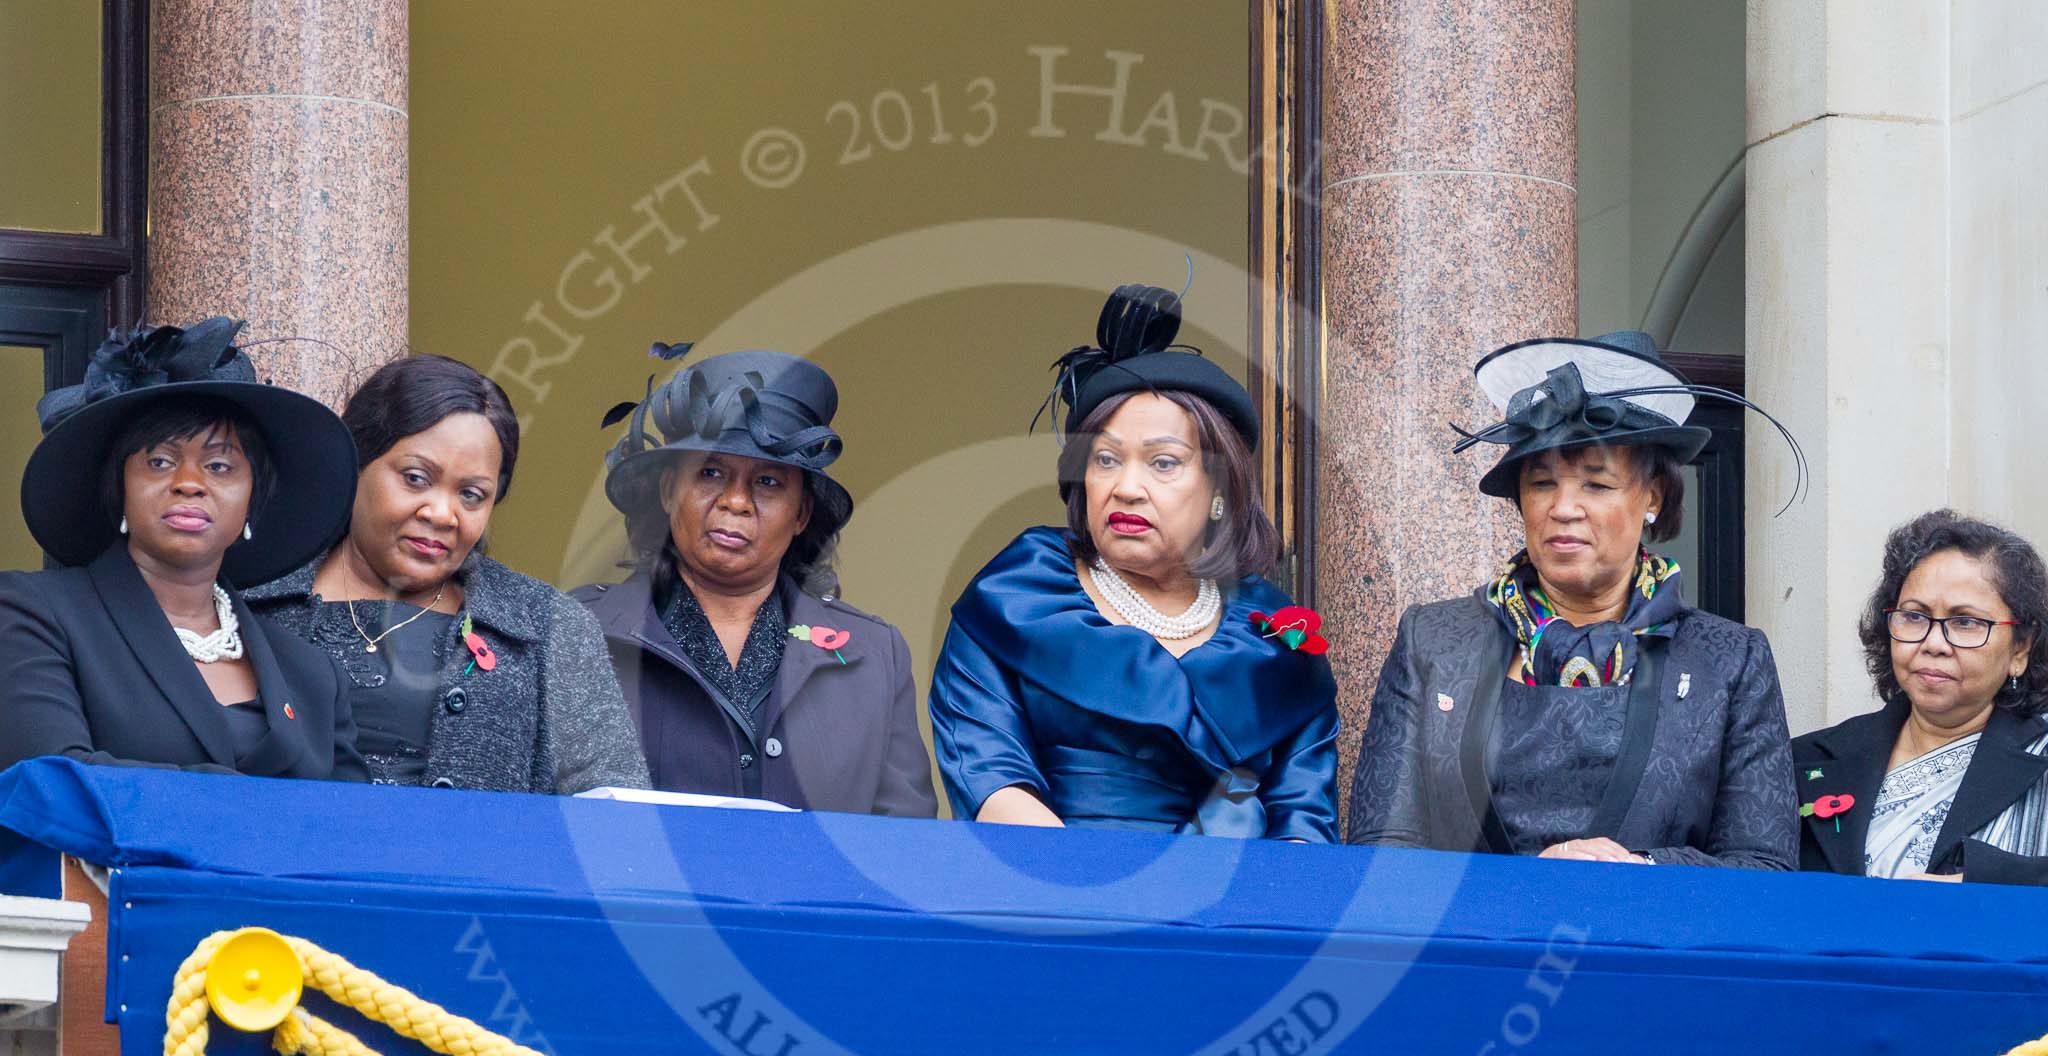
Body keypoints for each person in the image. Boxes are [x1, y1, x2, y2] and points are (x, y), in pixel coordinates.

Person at [1348, 331, 1797, 867]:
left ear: (1651, 496)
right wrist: (1517, 891)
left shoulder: (1727, 659)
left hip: (1647, 943)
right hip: (1472, 942)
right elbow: (1380, 851)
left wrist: (1642, 872)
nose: (1564, 508)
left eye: (1596, 485)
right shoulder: (1435, 641)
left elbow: (1765, 866)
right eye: (1542, 484)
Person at [928, 283, 1340, 839]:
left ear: (1221, 489)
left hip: (1234, 913)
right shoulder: (1014, 597)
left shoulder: (1277, 638)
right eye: (1105, 459)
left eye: (1163, 463)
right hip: (1050, 901)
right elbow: (992, 782)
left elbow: (1304, 828)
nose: (1126, 488)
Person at [246, 354, 646, 793]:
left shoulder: (551, 626)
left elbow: (615, 803)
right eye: (416, 478)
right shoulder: (246, 603)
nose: (442, 514)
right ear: (355, 463)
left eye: (471, 495)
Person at [574, 345, 935, 817]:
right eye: (710, 472)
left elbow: (904, 851)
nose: (736, 502)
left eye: (767, 482)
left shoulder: (876, 657)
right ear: (668, 491)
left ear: (803, 512)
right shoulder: (575, 630)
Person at [0, 317, 364, 779]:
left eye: (219, 465)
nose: (189, 484)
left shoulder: (313, 676)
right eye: (159, 461)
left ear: (252, 498)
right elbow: (55, 782)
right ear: (121, 487)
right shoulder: (34, 613)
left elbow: (351, 826)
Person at [1792, 511, 2048, 884]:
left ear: (2021, 648)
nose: (1933, 643)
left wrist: (1977, 885)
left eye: (1965, 622)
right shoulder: (1807, 760)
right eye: (1914, 616)